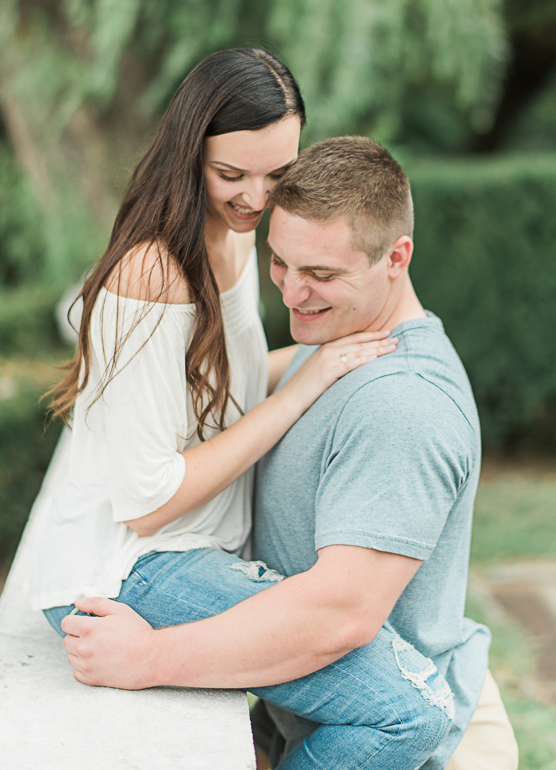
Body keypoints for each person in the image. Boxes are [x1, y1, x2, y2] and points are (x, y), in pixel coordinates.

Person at [28, 51, 456, 768]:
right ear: (189, 155)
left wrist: (338, 355)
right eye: (232, 175)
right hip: (133, 565)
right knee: (412, 714)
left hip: (194, 554)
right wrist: (303, 389)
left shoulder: (236, 235)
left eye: (276, 176)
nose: (256, 198)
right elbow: (146, 498)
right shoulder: (152, 271)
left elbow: (221, 380)